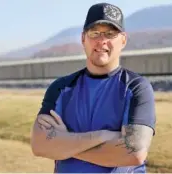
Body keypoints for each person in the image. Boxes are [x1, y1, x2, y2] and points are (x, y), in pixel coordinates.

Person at [30, 2, 156, 173]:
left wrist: (64, 143)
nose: (101, 41)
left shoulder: (136, 88)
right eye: (94, 33)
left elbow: (134, 153)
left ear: (123, 40)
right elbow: (39, 145)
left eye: (110, 34)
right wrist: (102, 136)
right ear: (83, 38)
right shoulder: (61, 88)